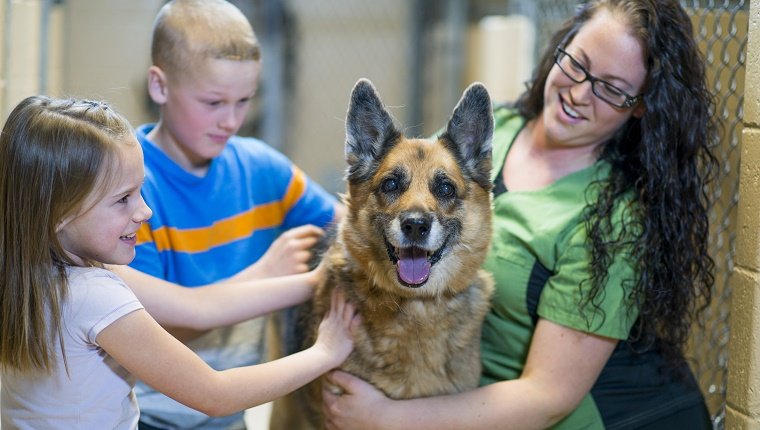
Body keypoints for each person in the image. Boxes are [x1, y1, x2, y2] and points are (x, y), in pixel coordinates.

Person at [322, 0, 717, 428]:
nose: (580, 93)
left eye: (611, 88)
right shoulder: (501, 126)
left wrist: (387, 418)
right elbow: (380, 198)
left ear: (640, 105)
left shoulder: (612, 222)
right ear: (560, 47)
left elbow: (548, 398)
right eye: (578, 64)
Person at [0, 95, 358, 430]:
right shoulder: (95, 294)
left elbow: (196, 307)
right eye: (123, 199)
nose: (145, 211)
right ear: (61, 214)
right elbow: (215, 395)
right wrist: (324, 352)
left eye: (139, 191)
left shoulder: (25, 274)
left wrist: (312, 282)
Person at [113, 1, 345, 428]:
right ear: (159, 86)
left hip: (232, 412)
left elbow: (349, 229)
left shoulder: (262, 168)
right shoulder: (127, 189)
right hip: (147, 416)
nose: (231, 121)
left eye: (244, 101)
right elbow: (147, 338)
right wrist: (265, 275)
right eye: (214, 102)